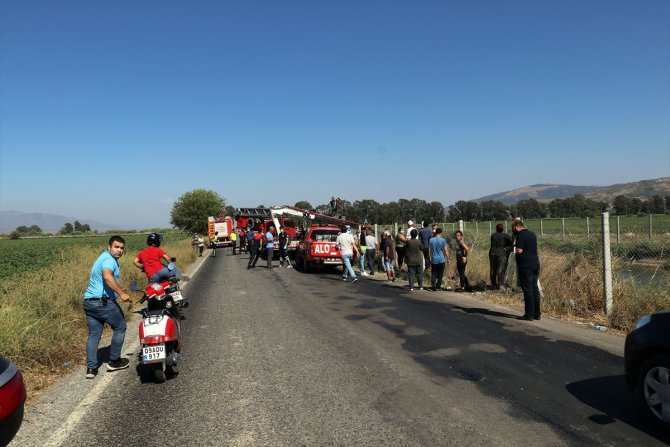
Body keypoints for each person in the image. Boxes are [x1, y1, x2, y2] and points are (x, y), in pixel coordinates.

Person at [83, 236, 131, 379]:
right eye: (116, 247)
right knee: (120, 327)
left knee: (94, 335)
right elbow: (107, 277)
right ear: (109, 247)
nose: (119, 250)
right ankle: (115, 361)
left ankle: (91, 369)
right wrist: (121, 293)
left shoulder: (102, 257)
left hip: (88, 302)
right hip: (103, 302)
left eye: (122, 248)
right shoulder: (109, 260)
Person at [513, 218, 542, 320]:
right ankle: (537, 314)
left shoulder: (520, 235)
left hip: (525, 265)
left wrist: (514, 250)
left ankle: (529, 314)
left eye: (513, 227)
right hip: (535, 263)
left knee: (527, 289)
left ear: (517, 226)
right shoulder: (532, 234)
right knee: (535, 289)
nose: (513, 230)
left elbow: (520, 250)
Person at [489, 223, 513, 289]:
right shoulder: (506, 236)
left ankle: (493, 284)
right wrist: (507, 248)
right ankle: (500, 284)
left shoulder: (493, 235)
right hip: (501, 253)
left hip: (492, 252)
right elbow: (512, 244)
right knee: (501, 268)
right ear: (503, 229)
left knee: (493, 268)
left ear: (496, 229)